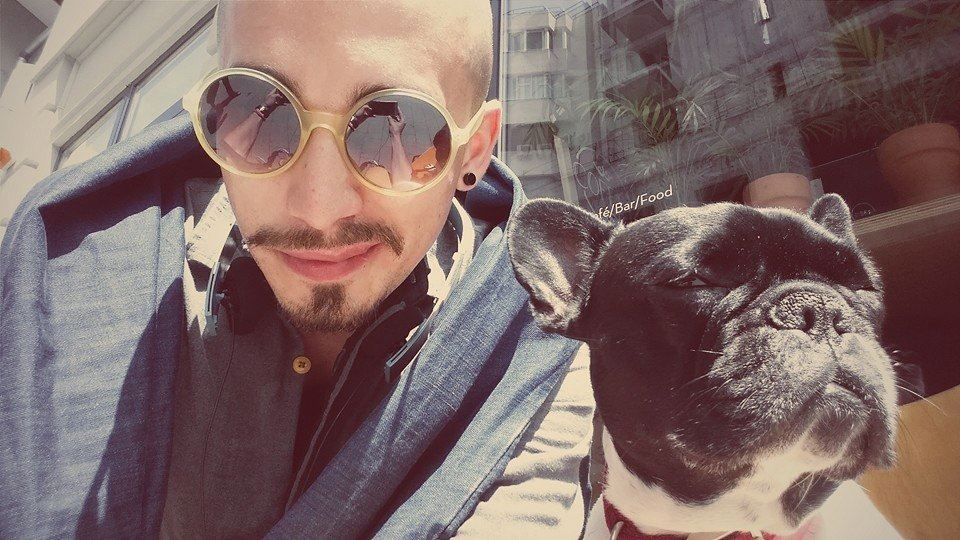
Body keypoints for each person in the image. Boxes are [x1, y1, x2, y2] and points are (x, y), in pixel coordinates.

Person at [0, 1, 594, 538]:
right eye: (264, 113)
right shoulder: (72, 293)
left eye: (398, 130)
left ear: (474, 151)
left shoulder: (539, 359)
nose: (318, 207)